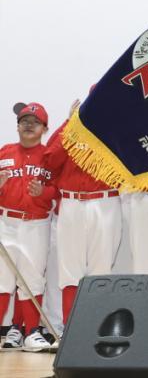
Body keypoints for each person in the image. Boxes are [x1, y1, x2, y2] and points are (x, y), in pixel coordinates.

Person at [44, 99, 122, 327]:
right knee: (70, 270)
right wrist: (70, 123)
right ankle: (71, 329)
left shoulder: (117, 129)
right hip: (72, 203)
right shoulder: (72, 129)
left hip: (106, 201)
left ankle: (96, 329)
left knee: (101, 269)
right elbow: (50, 161)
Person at [0, 102, 56, 352]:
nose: (29, 125)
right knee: (2, 280)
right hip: (6, 222)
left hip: (36, 224)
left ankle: (32, 333)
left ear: (45, 128)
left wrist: (43, 193)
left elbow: (58, 191)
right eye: (24, 121)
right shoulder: (5, 151)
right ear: (17, 126)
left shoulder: (49, 156)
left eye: (35, 122)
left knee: (32, 279)